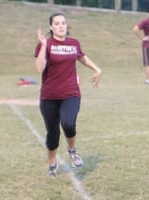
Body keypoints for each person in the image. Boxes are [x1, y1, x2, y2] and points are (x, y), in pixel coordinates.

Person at [35, 13, 102, 178]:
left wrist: (97, 69)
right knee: (53, 134)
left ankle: (73, 152)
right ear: (51, 27)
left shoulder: (74, 43)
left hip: (70, 93)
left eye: (63, 23)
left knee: (68, 123)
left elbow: (82, 57)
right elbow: (39, 68)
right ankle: (52, 165)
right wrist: (43, 46)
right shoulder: (46, 44)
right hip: (49, 96)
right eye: (56, 23)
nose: (60, 26)